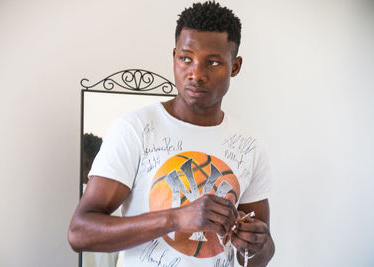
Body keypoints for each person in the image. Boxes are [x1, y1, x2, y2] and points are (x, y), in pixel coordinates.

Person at [69, 1, 275, 266]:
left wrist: (259, 244)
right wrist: (176, 218)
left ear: (235, 66)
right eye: (186, 59)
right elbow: (79, 233)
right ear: (174, 56)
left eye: (213, 62)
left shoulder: (250, 145)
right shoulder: (135, 129)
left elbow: (259, 256)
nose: (196, 74)